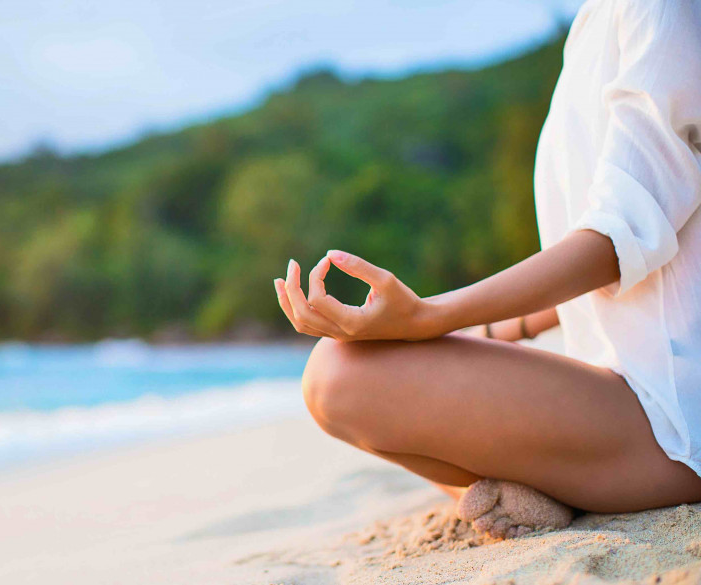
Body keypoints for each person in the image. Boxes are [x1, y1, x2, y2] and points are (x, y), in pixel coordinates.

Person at [273, 0, 701, 539]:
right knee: (359, 363)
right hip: (642, 396)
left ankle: (505, 492)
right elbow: (655, 256)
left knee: (340, 376)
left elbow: (621, 237)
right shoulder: (604, 20)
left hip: (675, 422)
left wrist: (430, 316)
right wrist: (479, 330)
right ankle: (510, 493)